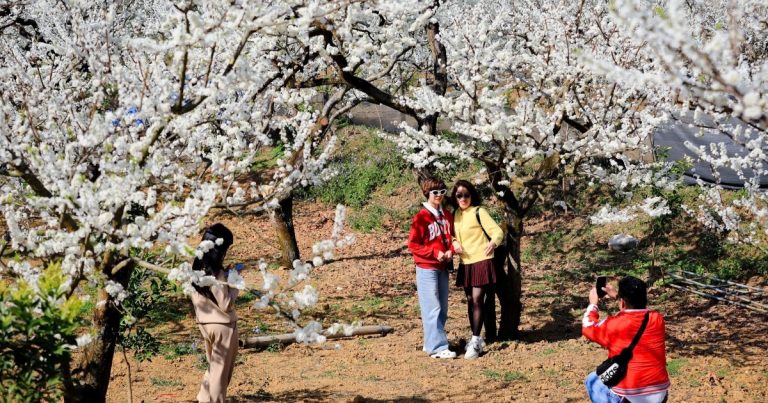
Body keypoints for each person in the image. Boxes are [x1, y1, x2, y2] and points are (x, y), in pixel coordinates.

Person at [582, 276, 670, 403]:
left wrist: (593, 304)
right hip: (660, 395)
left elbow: (587, 327)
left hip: (628, 397)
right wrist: (619, 297)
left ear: (622, 302)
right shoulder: (657, 319)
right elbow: (638, 311)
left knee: (591, 380)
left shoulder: (614, 324)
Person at [450, 180, 504, 359]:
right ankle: (477, 337)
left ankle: (474, 340)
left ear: (472, 195)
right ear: (455, 197)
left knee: (478, 298)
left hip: (481, 260)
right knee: (469, 300)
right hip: (466, 263)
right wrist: (454, 242)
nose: (463, 198)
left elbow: (497, 232)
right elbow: (450, 235)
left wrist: (493, 243)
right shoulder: (455, 214)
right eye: (459, 195)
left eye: (466, 195)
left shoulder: (479, 211)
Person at [408, 177, 457, 359]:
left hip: (443, 266)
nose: (438, 196)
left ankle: (431, 341)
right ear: (427, 194)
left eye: (442, 192)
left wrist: (451, 250)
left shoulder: (447, 215)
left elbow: (451, 238)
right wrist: (434, 253)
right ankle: (437, 347)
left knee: (442, 307)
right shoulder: (421, 217)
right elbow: (413, 244)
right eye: (435, 192)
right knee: (432, 306)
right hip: (427, 267)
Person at [190, 223, 240, 403]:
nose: (226, 253)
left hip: (204, 324)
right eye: (226, 249)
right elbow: (226, 303)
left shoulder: (195, 266)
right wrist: (235, 282)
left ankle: (203, 399)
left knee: (214, 368)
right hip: (223, 327)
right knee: (221, 375)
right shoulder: (216, 272)